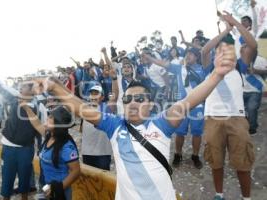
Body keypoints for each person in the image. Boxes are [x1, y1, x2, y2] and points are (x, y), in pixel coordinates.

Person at [33, 41, 237, 200]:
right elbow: (82, 109)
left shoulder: (162, 123)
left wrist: (217, 74)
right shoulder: (115, 126)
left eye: (139, 99)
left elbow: (190, 99)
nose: (132, 103)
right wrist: (55, 86)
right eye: (128, 99)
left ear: (150, 103)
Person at [201, 12, 257, 200]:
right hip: (212, 119)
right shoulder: (210, 68)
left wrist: (234, 23)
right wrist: (225, 30)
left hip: (237, 119)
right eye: (221, 49)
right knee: (216, 160)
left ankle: (246, 197)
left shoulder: (240, 65)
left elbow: (252, 45)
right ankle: (219, 194)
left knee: (242, 161)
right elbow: (203, 51)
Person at [0, 61, 41, 200]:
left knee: (25, 183)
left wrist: (41, 148)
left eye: (27, 85)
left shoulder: (39, 106)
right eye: (22, 86)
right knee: (7, 182)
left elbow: (41, 128)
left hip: (26, 149)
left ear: (33, 90)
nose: (22, 87)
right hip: (9, 148)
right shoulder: (14, 98)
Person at [22, 105, 80, 200]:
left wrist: (57, 188)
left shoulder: (66, 146)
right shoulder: (49, 136)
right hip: (45, 185)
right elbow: (37, 124)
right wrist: (26, 108)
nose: (47, 118)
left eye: (51, 117)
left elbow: (76, 171)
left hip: (59, 191)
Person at [81, 85, 113, 170]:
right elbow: (81, 129)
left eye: (96, 94)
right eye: (92, 94)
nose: (93, 96)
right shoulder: (85, 109)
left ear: (102, 97)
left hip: (103, 152)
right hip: (87, 151)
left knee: (103, 180)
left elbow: (115, 98)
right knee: (90, 179)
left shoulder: (107, 108)